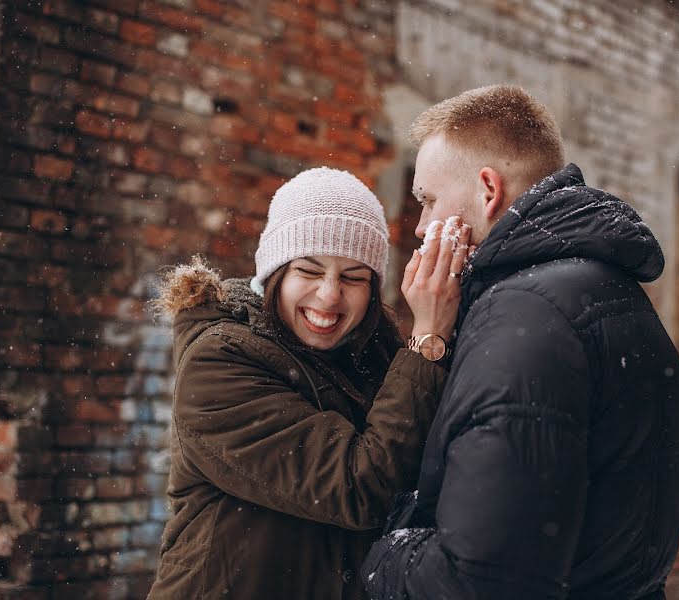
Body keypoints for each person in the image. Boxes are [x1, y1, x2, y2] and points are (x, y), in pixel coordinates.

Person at [361, 85, 679, 600]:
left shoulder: (524, 315)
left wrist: (376, 553)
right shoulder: (606, 285)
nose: (422, 227)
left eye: (426, 200)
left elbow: (479, 581)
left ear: (488, 190)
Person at [146, 167, 471, 600]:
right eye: (309, 271)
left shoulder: (373, 355)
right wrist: (429, 337)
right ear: (274, 271)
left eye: (354, 277)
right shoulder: (217, 363)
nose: (330, 296)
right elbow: (361, 486)